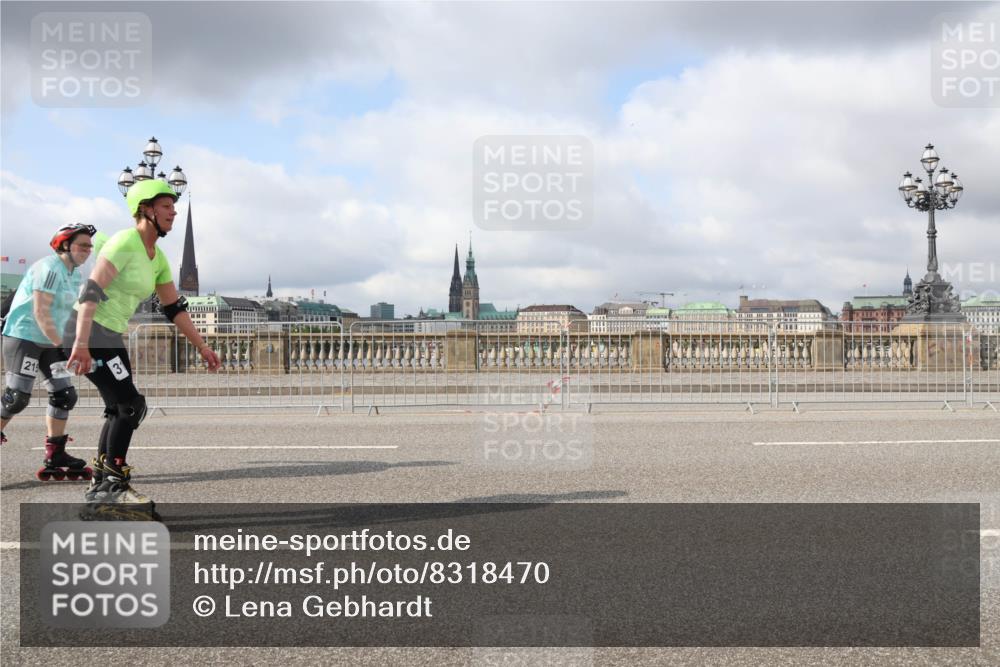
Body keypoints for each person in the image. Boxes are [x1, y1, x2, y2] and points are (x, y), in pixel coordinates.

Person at [66, 179, 220, 512]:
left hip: (110, 336)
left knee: (119, 407)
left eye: (173, 207)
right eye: (166, 206)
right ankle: (112, 484)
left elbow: (173, 308)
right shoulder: (125, 242)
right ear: (145, 209)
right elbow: (90, 291)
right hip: (89, 333)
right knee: (131, 405)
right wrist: (80, 343)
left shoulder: (158, 257)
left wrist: (202, 347)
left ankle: (101, 486)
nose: (173, 212)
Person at [1, 224, 96, 480]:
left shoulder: (75, 274)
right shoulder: (49, 268)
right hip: (25, 337)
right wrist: (63, 344)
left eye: (90, 245)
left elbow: (72, 313)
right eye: (83, 245)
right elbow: (41, 312)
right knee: (16, 398)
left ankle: (55, 453)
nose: (89, 250)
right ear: (65, 245)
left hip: (50, 341)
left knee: (65, 395)